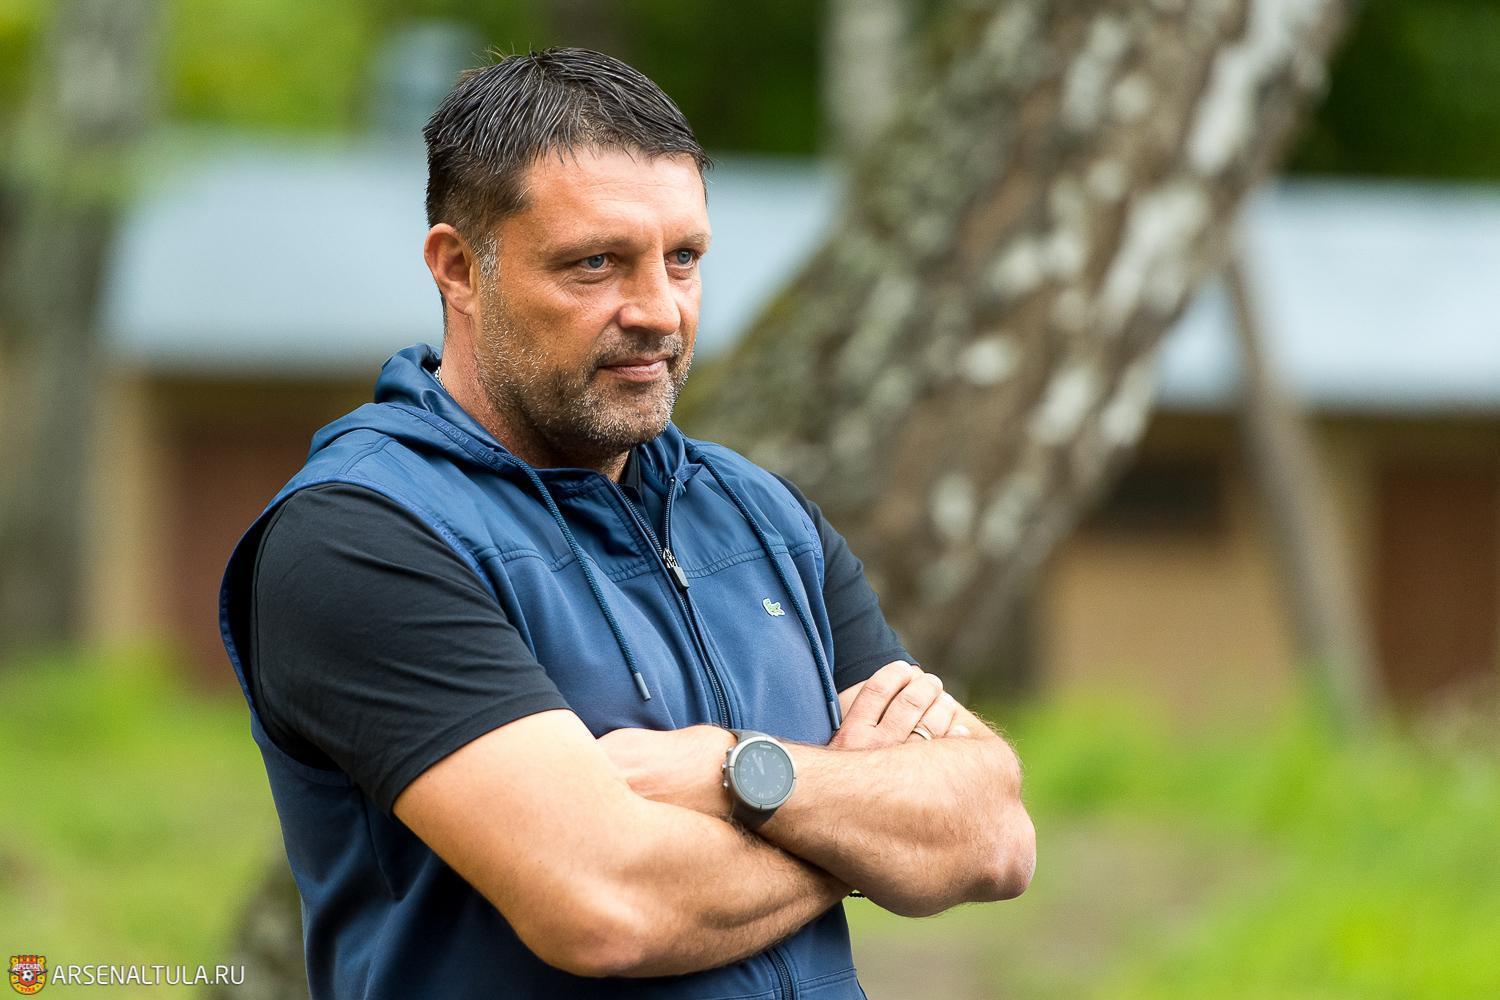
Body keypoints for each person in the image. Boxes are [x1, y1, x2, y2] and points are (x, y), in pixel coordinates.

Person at [219, 47, 1034, 1000]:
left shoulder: (763, 516)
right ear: (459, 269)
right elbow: (608, 906)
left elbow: (993, 833)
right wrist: (868, 832)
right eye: (596, 264)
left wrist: (739, 773)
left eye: (683, 258)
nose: (658, 312)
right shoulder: (361, 534)